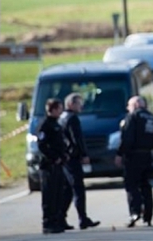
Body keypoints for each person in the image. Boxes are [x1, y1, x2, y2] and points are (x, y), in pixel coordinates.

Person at [115, 96, 153, 228]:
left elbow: (127, 137)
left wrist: (120, 153)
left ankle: (135, 212)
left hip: (133, 156)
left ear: (136, 105)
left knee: (131, 185)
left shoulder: (132, 117)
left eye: (129, 105)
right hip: (147, 155)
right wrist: (150, 146)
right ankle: (148, 216)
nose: (128, 108)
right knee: (146, 186)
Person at [59, 93, 100, 230]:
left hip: (65, 158)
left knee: (68, 190)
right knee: (78, 189)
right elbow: (77, 138)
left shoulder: (62, 118)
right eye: (78, 103)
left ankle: (60, 217)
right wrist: (83, 154)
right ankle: (83, 218)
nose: (81, 106)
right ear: (71, 104)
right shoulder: (72, 119)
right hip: (73, 158)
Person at [38, 98, 68, 234]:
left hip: (59, 164)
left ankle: (57, 221)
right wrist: (53, 158)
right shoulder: (45, 125)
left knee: (58, 193)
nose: (61, 111)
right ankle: (48, 223)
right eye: (59, 108)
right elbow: (42, 145)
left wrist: (64, 155)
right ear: (53, 109)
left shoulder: (56, 124)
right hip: (49, 165)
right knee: (49, 195)